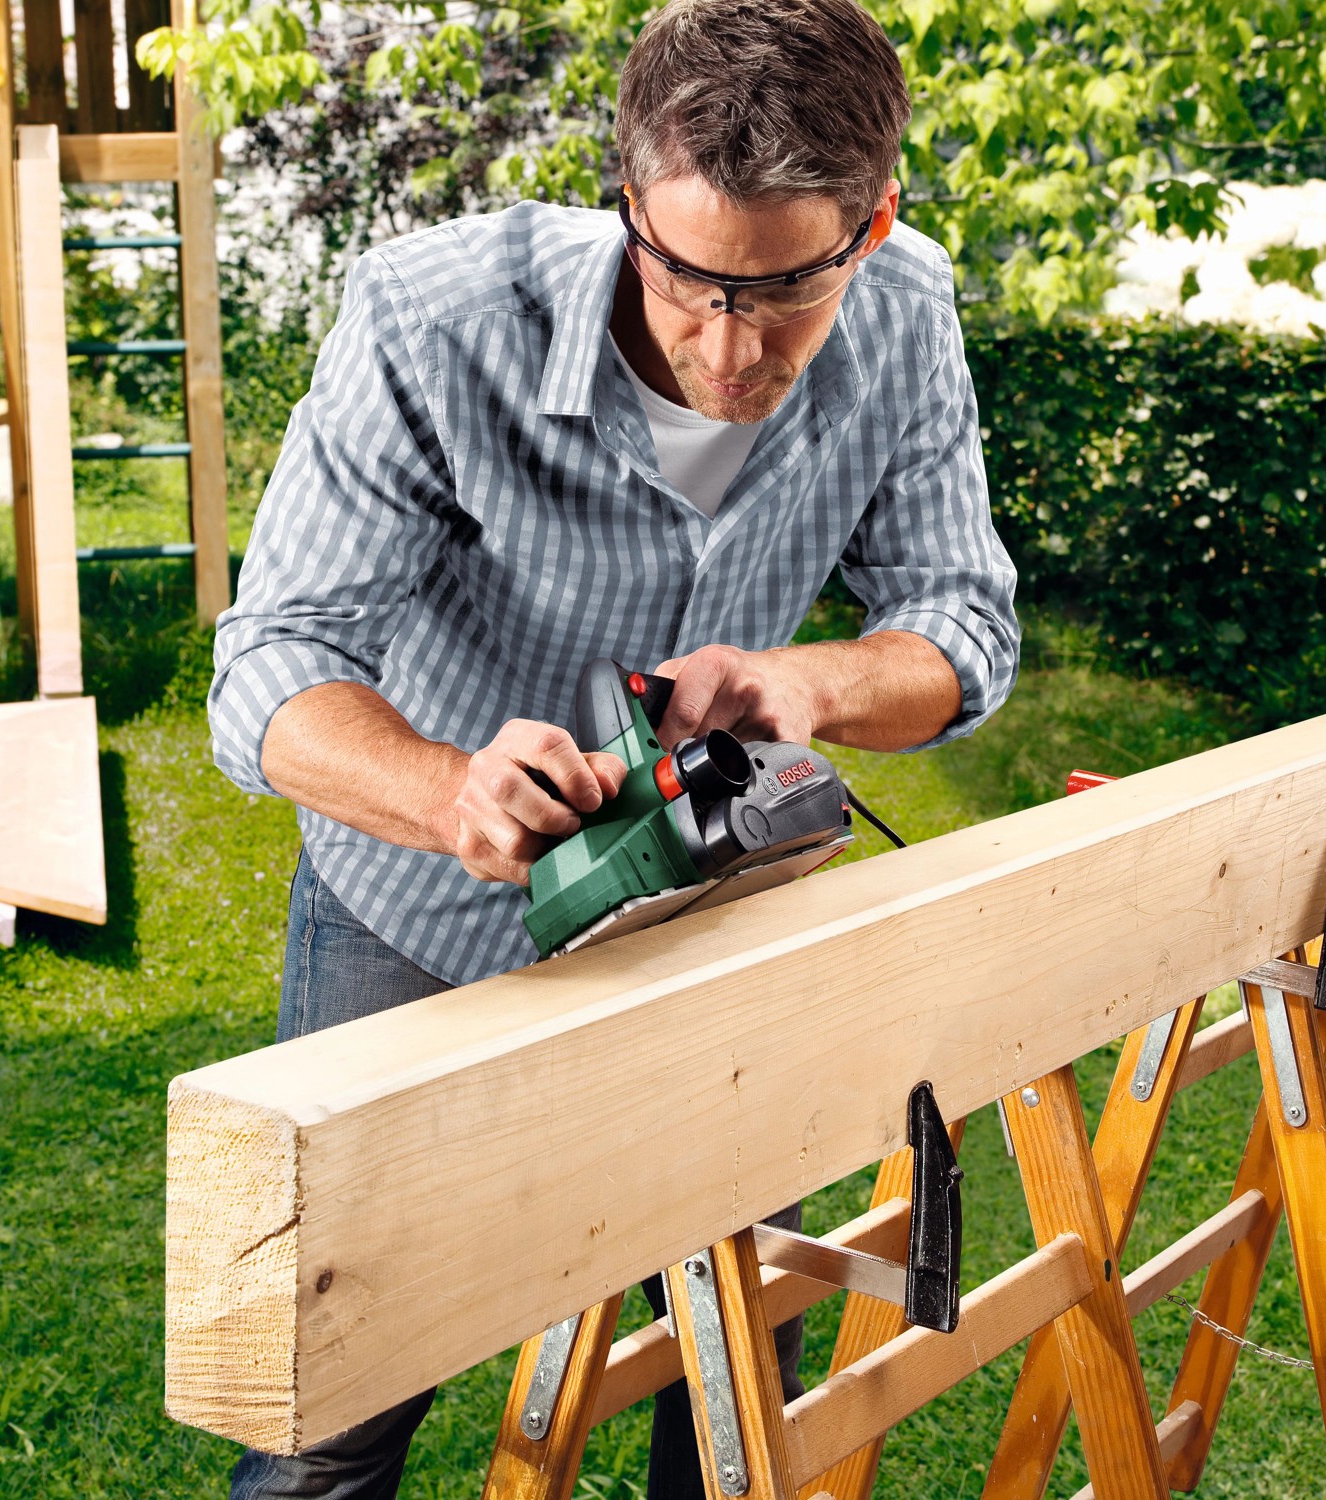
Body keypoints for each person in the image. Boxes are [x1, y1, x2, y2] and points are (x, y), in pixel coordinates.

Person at [209, 0, 1020, 1494]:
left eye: (784, 292)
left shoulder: (908, 311)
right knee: (329, 1409)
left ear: (874, 223)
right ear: (628, 201)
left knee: (729, 1394)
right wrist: (451, 787)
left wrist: (815, 685)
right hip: (422, 922)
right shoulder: (433, 320)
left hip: (711, 923)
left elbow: (964, 623)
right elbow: (271, 664)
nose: (728, 346)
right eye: (690, 280)